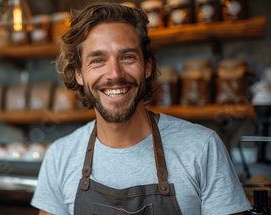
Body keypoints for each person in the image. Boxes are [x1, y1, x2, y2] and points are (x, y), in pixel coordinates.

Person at [31, 2, 252, 215]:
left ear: (147, 66)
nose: (115, 74)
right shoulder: (60, 156)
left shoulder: (202, 148)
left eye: (127, 57)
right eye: (98, 60)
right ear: (79, 74)